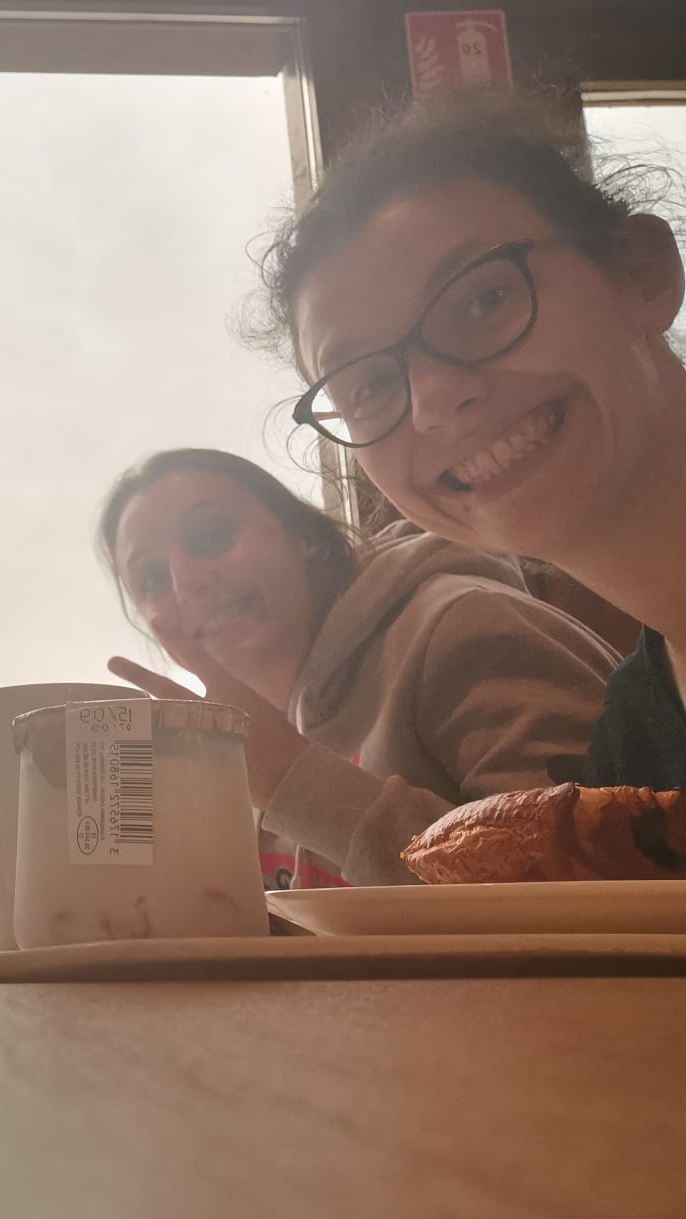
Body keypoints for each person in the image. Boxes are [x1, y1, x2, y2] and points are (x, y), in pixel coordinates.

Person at [256, 89, 686, 792]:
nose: (433, 401)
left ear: (640, 273)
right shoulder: (633, 743)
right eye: (369, 386)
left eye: (483, 301)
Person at [100, 448, 617, 885]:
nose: (186, 583)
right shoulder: (242, 752)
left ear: (305, 538)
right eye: (152, 578)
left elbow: (587, 884)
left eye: (211, 536)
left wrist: (292, 780)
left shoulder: (461, 627)